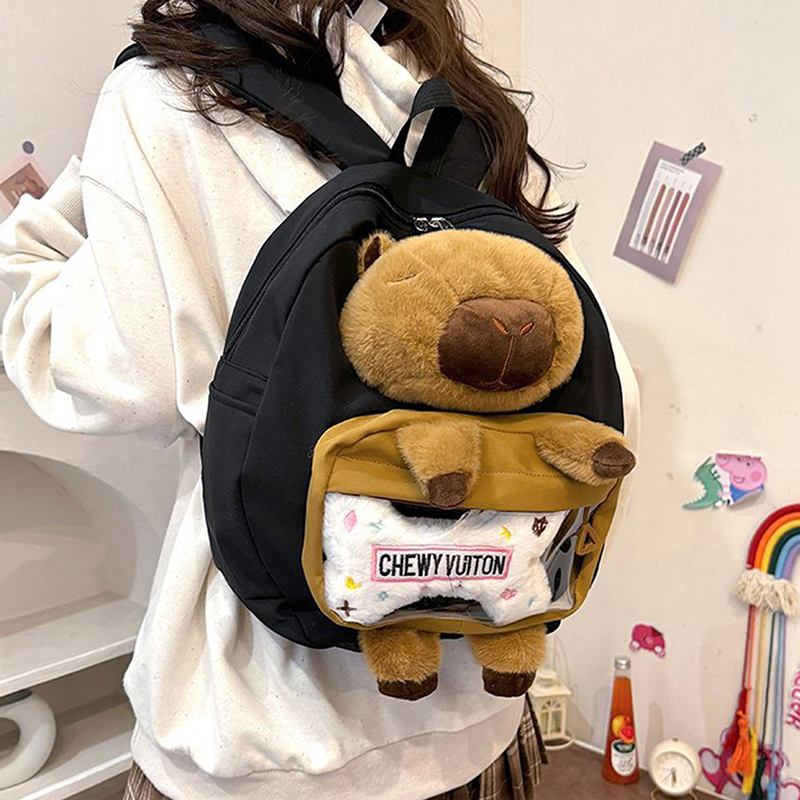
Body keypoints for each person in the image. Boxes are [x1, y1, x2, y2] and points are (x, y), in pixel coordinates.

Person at [0, 1, 638, 798]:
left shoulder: (166, 90)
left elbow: (128, 384)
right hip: (475, 712)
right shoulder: (459, 98)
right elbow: (611, 390)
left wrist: (32, 249)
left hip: (268, 724)